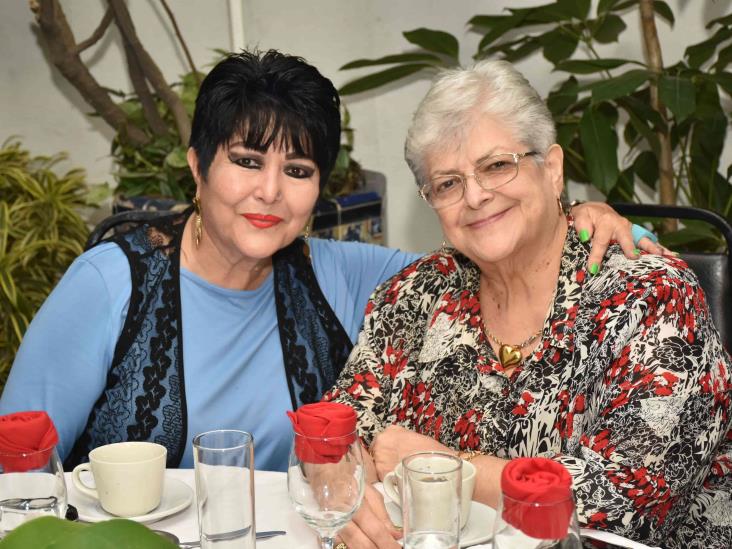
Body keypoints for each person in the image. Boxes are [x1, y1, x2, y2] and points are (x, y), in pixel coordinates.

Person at [0, 50, 653, 473]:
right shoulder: (111, 284)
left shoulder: (340, 276)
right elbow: (14, 464)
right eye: (246, 160)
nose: (270, 192)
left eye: (299, 169)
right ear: (197, 167)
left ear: (320, 190)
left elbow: (494, 242)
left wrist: (583, 219)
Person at [327, 60, 732, 548]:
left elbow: (628, 504)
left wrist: (451, 472)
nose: (475, 195)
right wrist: (339, 484)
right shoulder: (416, 292)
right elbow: (339, 425)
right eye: (448, 183)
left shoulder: (651, 296)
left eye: (497, 165)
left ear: (553, 168)